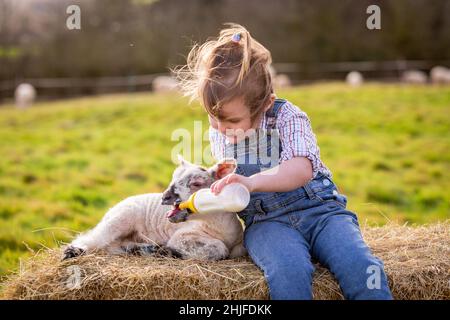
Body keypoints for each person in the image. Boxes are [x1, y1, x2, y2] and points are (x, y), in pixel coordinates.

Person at [175, 23, 393, 300]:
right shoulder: (219, 132)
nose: (219, 127)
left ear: (265, 105)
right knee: (288, 271)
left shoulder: (287, 116)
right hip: (267, 223)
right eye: (212, 116)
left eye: (231, 120)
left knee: (361, 267)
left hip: (321, 213)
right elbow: (229, 187)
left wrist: (251, 182)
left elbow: (300, 169)